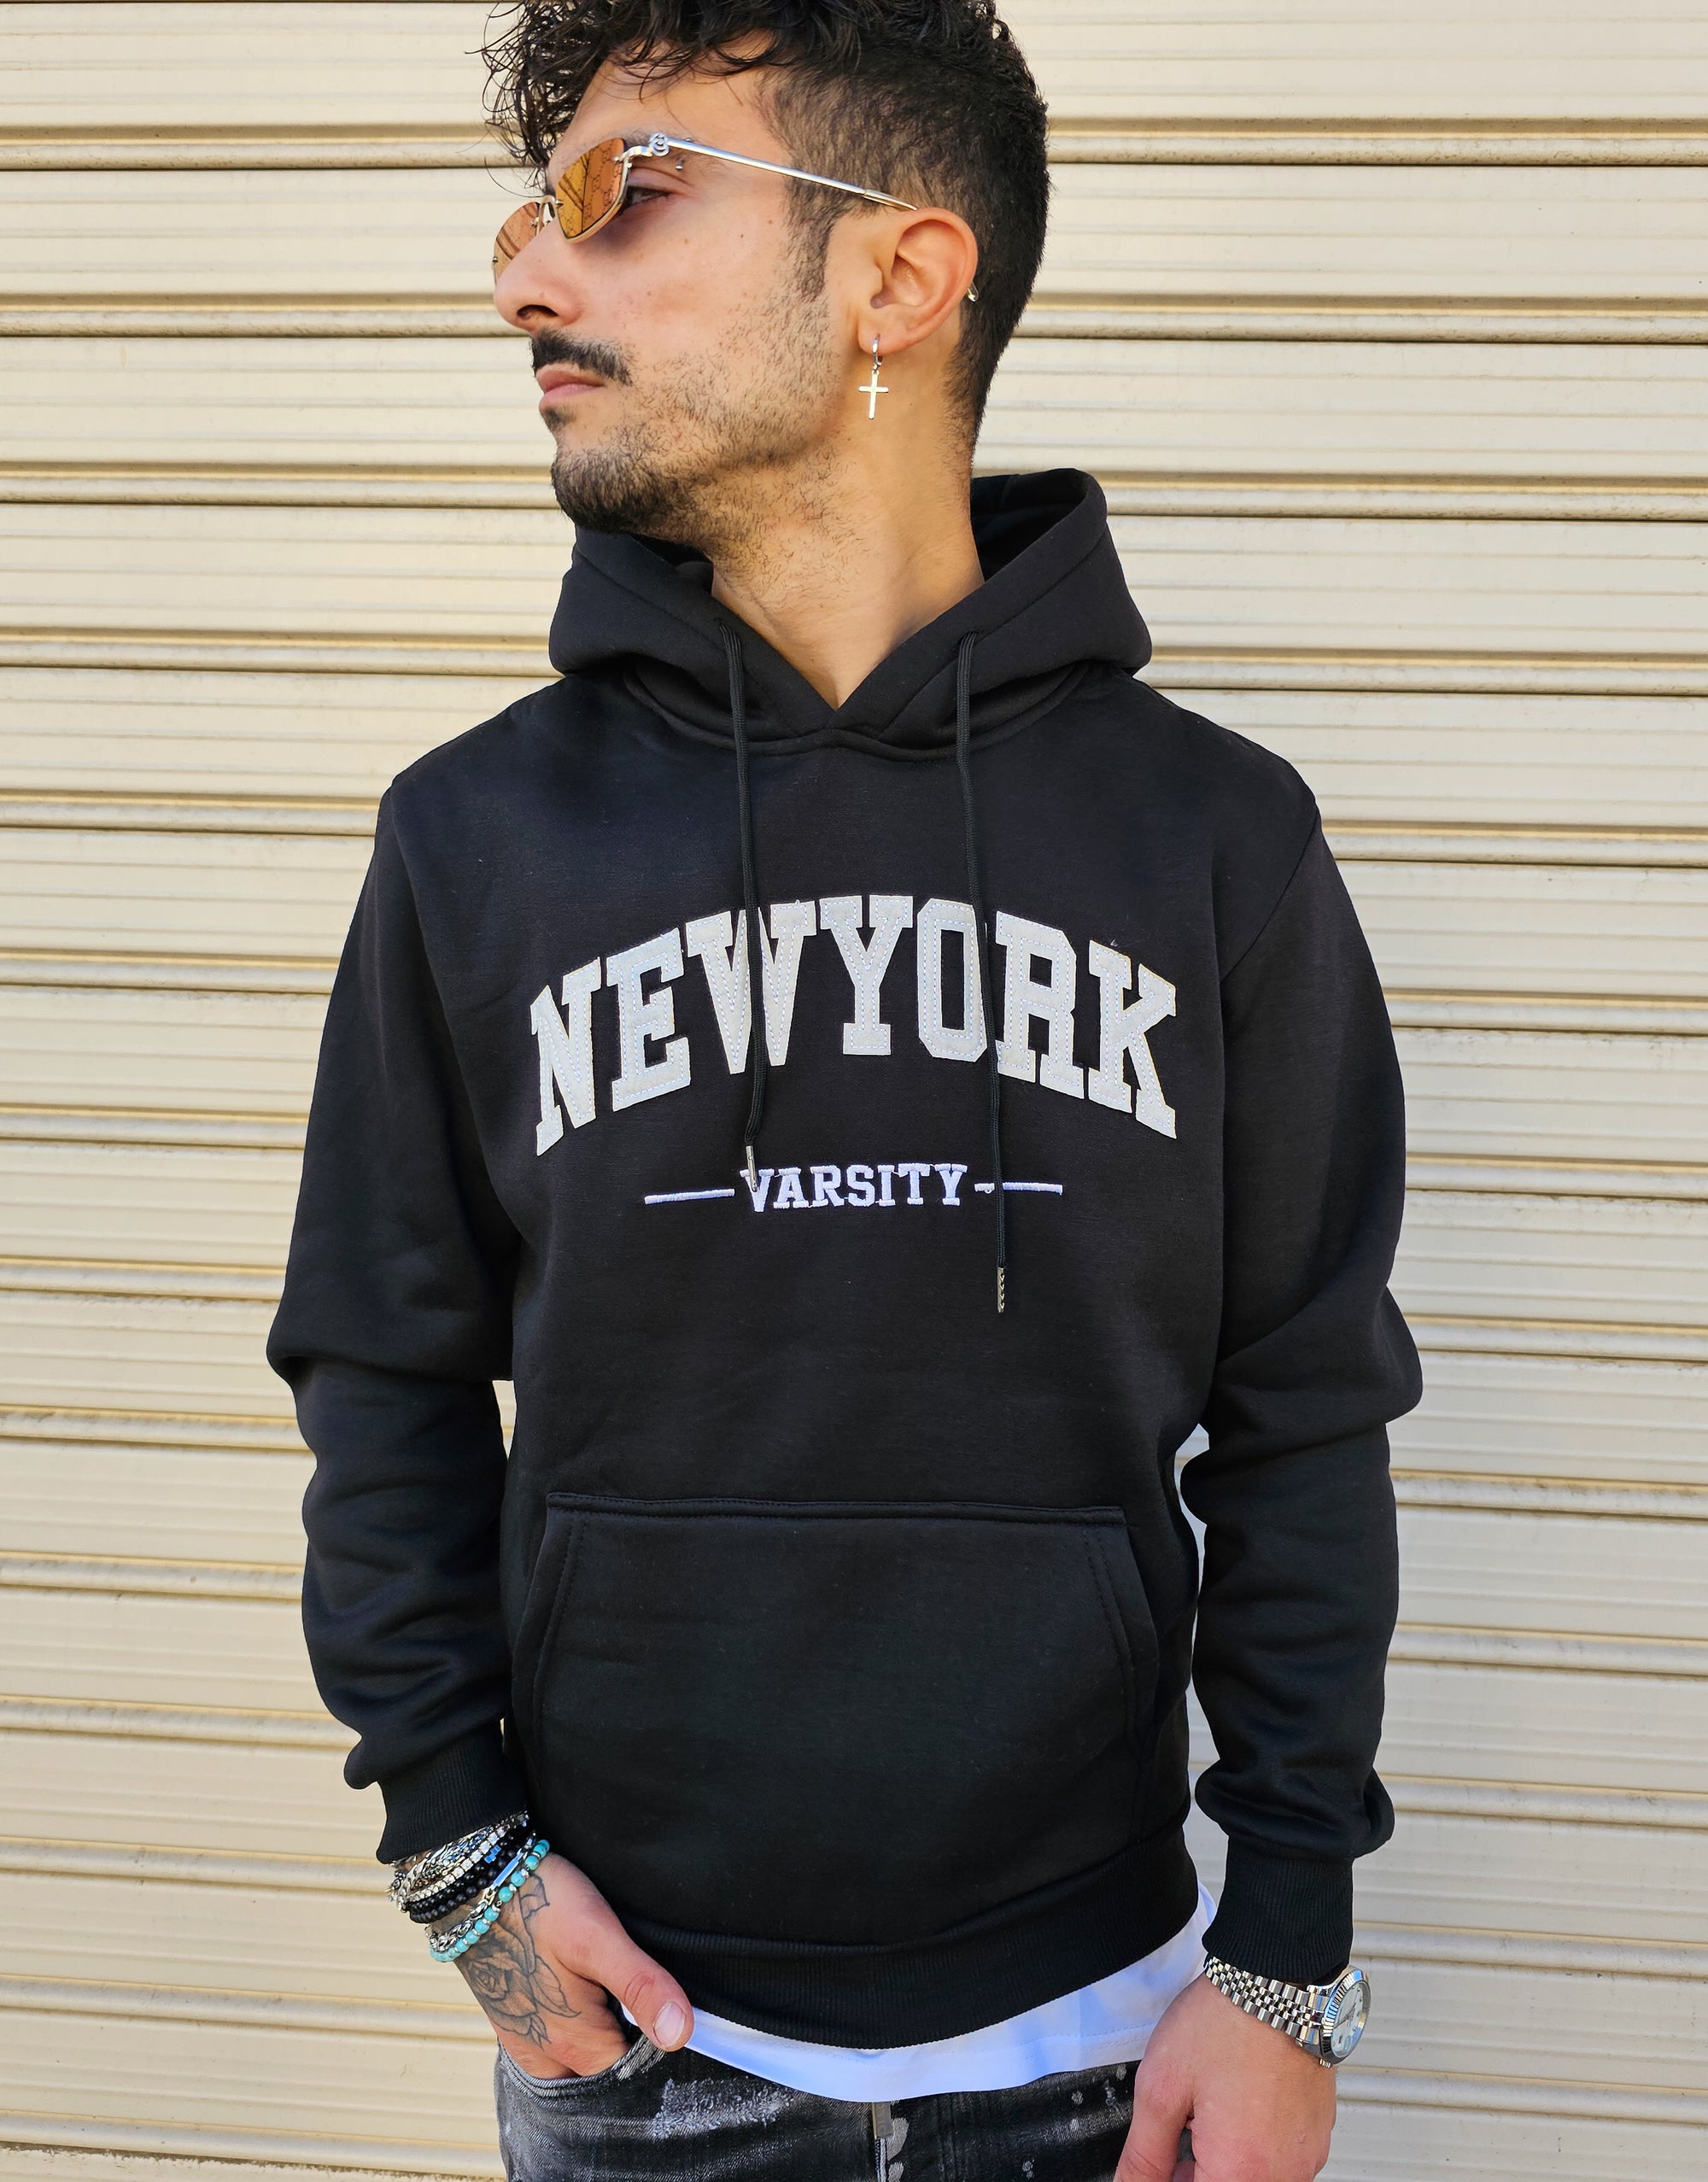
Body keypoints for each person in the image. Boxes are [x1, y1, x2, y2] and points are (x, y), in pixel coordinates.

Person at [268, 3, 1421, 2177]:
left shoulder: (1212, 841)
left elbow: (1305, 1415)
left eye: (622, 195)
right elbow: (380, 1375)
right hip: (640, 2042)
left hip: (1102, 2031)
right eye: (528, 216)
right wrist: (461, 1860)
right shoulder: (476, 837)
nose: (528, 277)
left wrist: (1284, 1955)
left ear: (900, 273)